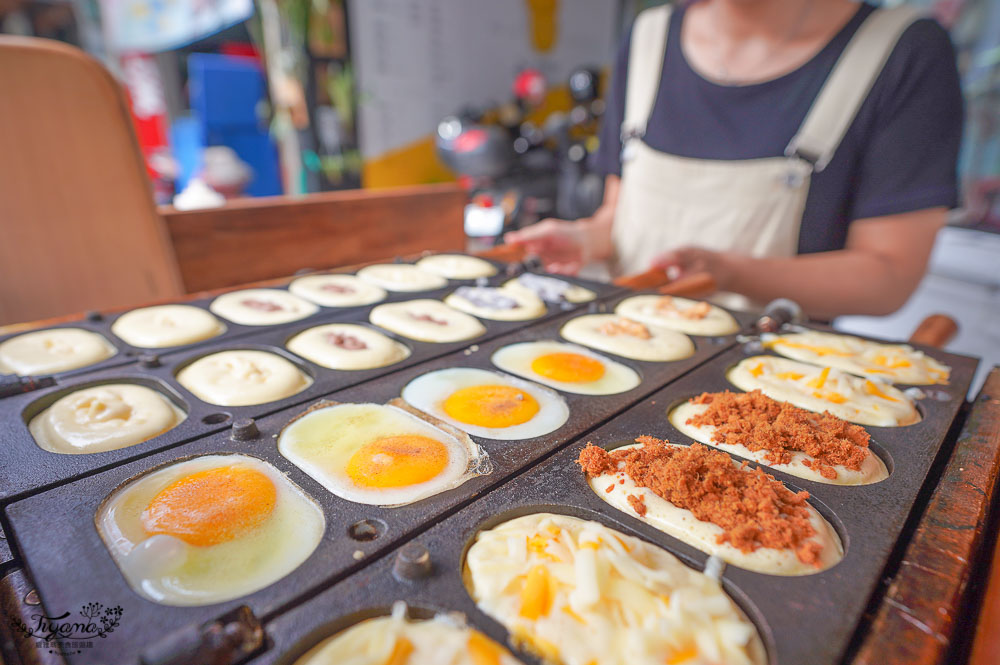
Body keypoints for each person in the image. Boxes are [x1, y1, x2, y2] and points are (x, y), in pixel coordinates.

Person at [505, 0, 964, 319]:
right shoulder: (648, 36)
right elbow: (617, 215)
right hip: (626, 337)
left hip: (772, 380)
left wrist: (729, 273)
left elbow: (888, 275)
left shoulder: (901, 51)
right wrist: (584, 237)